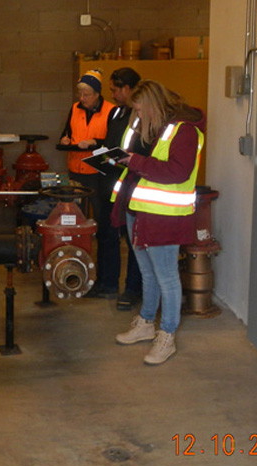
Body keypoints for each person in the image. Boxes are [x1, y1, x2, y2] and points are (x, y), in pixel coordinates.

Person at [111, 80, 205, 365]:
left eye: (140, 110)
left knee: (167, 278)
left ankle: (167, 335)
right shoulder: (153, 129)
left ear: (153, 105)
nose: (137, 116)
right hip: (139, 210)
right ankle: (147, 322)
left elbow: (177, 171)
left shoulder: (184, 131)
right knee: (148, 274)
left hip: (164, 217)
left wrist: (135, 161)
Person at [59, 69, 116, 297]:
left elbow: (113, 143)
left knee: (103, 226)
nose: (82, 99)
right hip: (77, 172)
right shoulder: (74, 109)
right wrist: (65, 139)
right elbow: (67, 132)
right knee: (75, 225)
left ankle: (103, 278)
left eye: (87, 94)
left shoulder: (111, 111)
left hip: (98, 175)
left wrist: (95, 141)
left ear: (97, 94)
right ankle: (76, 273)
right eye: (80, 94)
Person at [98, 68, 149, 308]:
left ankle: (132, 288)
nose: (113, 93)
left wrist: (124, 160)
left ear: (128, 89)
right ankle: (107, 283)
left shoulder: (141, 117)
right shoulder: (116, 112)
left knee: (132, 239)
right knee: (107, 234)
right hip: (112, 180)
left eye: (116, 89)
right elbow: (112, 144)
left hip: (132, 183)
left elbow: (140, 150)